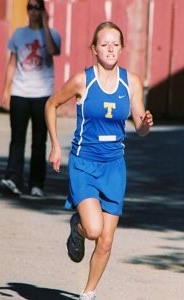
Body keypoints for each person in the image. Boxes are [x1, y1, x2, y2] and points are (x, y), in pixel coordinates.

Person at [45, 21, 153, 300]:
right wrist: (56, 145)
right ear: (94, 49)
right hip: (84, 164)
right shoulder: (83, 80)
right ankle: (77, 228)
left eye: (115, 44)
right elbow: (51, 104)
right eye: (104, 44)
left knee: (106, 240)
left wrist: (145, 124)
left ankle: (88, 294)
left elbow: (140, 127)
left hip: (115, 167)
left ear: (122, 48)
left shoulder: (132, 82)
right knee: (94, 230)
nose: (110, 49)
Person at [0, 0, 61, 197]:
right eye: (30, 7)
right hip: (20, 92)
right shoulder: (18, 34)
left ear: (43, 10)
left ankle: (36, 183)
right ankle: (13, 178)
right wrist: (5, 91)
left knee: (39, 141)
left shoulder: (53, 34)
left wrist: (45, 25)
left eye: (37, 7)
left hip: (42, 94)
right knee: (17, 139)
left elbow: (53, 51)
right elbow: (12, 64)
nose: (33, 11)